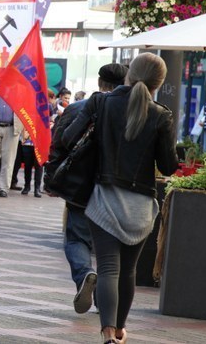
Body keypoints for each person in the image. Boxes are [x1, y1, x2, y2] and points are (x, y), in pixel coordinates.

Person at [63, 53, 177, 344]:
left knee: (108, 268)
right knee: (127, 271)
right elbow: (167, 166)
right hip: (140, 206)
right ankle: (121, 329)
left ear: (129, 74)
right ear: (158, 83)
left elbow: (68, 139)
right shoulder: (161, 114)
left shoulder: (101, 102)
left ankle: (107, 333)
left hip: (104, 199)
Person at [50, 63, 128, 314]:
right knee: (109, 250)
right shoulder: (131, 111)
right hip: (115, 189)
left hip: (80, 186)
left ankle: (85, 273)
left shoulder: (76, 108)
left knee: (76, 239)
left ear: (99, 82)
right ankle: (103, 300)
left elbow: (58, 145)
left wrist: (51, 179)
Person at [18, 130, 43, 197]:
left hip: (40, 142)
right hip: (27, 141)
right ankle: (27, 186)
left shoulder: (44, 118)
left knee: (39, 165)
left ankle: (37, 188)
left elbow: (50, 123)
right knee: (27, 165)